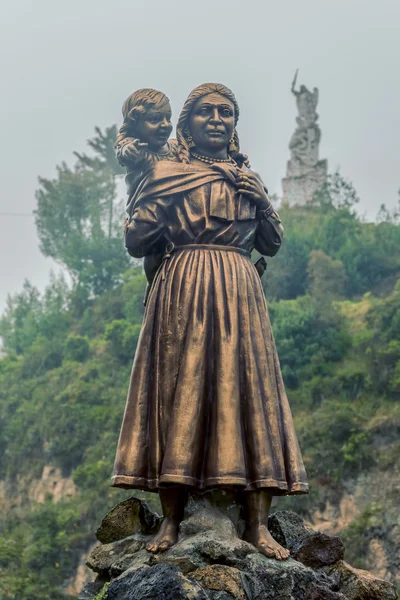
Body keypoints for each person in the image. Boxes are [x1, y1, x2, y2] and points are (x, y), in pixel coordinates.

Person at [112, 83, 308, 560]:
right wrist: (148, 193)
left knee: (249, 395)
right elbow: (136, 242)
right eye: (206, 112)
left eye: (226, 112)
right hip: (183, 287)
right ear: (187, 125)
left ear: (234, 125)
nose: (218, 119)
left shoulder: (248, 177)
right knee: (179, 394)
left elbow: (273, 243)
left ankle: (257, 525)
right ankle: (174, 521)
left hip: (240, 290)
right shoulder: (165, 172)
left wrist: (261, 198)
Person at [115, 88, 179, 289]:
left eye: (168, 118)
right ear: (135, 125)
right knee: (155, 257)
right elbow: (123, 150)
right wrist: (128, 149)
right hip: (149, 215)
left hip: (176, 215)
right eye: (155, 120)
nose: (165, 125)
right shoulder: (136, 148)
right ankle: (155, 295)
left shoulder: (176, 148)